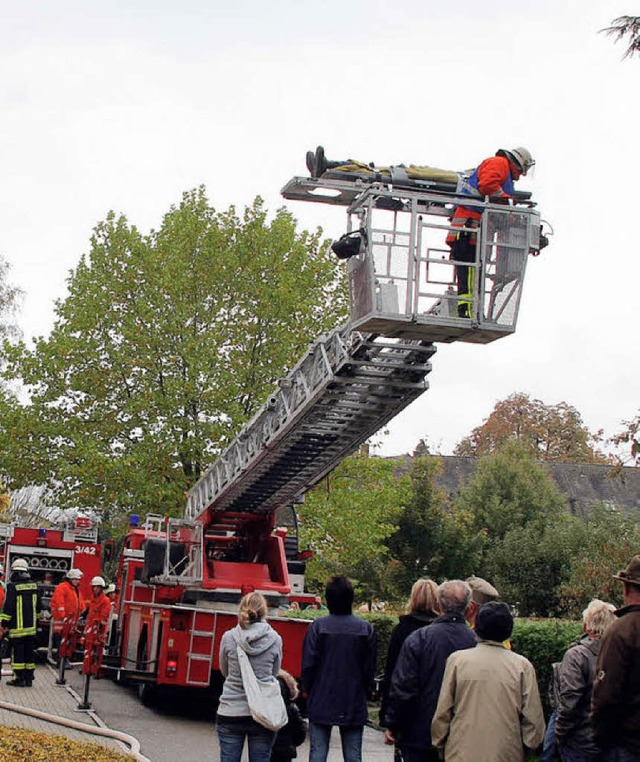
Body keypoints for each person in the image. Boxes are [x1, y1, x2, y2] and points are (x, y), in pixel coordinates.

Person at [432, 601, 545, 761]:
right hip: (506, 752)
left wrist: (440, 742)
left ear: (477, 627)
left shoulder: (457, 661)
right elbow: (533, 719)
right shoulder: (522, 666)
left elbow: (443, 711)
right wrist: (529, 746)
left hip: (461, 751)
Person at [384, 580, 476, 762]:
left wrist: (394, 724)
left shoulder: (419, 639)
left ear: (439, 604)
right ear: (468, 607)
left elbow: (405, 687)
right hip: (462, 734)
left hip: (420, 733)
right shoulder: (475, 642)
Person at [446, 147, 535, 317]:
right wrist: (507, 200)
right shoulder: (499, 163)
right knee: (470, 270)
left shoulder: (503, 168)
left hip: (471, 228)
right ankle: (469, 311)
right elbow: (487, 185)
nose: (523, 174)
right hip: (469, 227)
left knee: (471, 271)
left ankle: (471, 309)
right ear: (519, 162)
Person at [301, 575, 377, 762]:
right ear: (351, 598)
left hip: (321, 696)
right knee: (353, 755)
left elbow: (308, 664)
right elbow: (369, 668)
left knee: (318, 754)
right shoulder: (365, 629)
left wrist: (307, 690)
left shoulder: (318, 627)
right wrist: (366, 691)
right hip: (353, 699)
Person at [217, 592, 283, 762]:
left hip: (230, 710)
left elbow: (225, 672)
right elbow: (274, 673)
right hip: (263, 712)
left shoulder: (229, 637)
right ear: (264, 612)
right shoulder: (275, 640)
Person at [554, 599, 616, 761]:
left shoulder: (576, 656)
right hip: (613, 740)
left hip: (580, 742)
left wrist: (559, 732)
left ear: (585, 626)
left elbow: (569, 702)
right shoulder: (621, 652)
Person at [591, 555, 640, 761]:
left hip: (629, 744)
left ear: (627, 588)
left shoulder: (622, 630)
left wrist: (598, 738)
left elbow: (606, 696)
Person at [379, 578, 439, 732]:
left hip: (407, 707)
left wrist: (387, 712)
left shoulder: (402, 629)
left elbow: (392, 670)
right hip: (434, 705)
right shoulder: (441, 631)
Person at [0, 557, 42, 687]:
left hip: (17, 629)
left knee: (17, 654)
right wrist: (36, 622)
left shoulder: (13, 587)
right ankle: (29, 678)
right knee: (29, 653)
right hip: (31, 629)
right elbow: (39, 607)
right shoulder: (34, 586)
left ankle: (18, 678)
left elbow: (8, 607)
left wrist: (4, 624)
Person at [270, 669, 306, 762]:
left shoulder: (265, 709)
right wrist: (293, 743)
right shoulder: (291, 709)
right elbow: (300, 731)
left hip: (268, 748)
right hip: (286, 749)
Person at [50, 567, 84, 660]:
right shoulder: (62, 588)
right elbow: (59, 603)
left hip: (70, 624)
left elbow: (80, 605)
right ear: (70, 579)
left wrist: (82, 614)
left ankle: (65, 660)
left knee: (68, 644)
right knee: (62, 643)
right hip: (62, 624)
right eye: (76, 579)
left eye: (78, 579)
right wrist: (63, 617)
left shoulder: (75, 590)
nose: (78, 581)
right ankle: (61, 662)